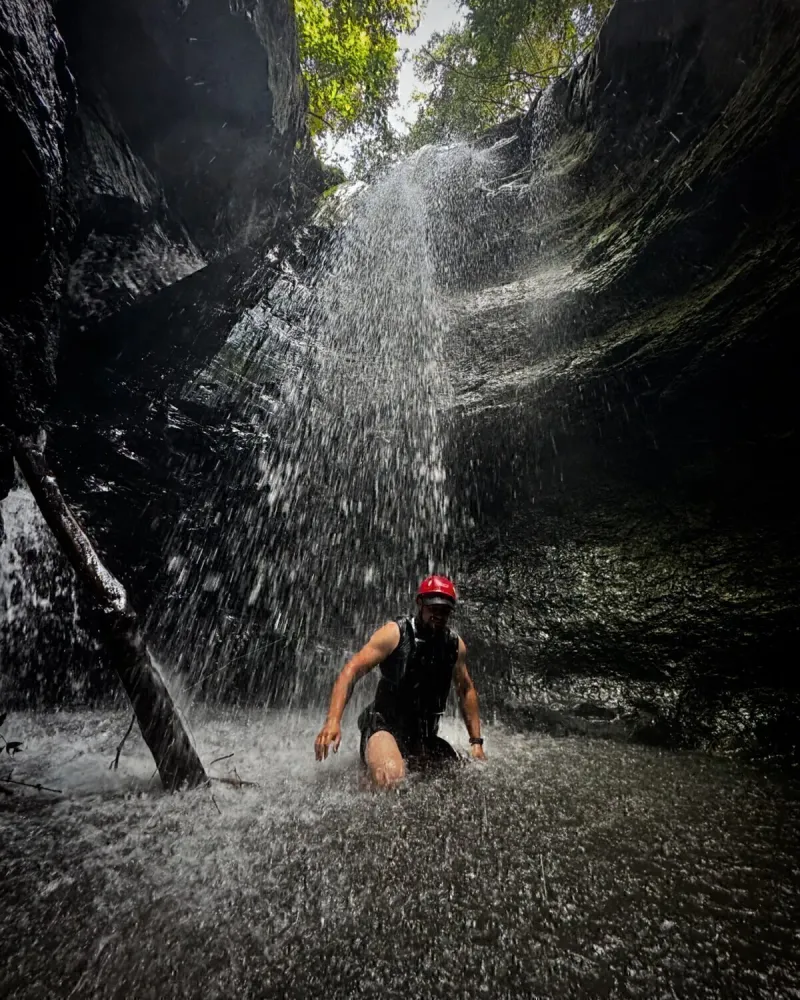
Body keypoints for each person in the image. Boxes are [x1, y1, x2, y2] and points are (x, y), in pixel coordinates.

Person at [314, 575, 486, 788]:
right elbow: (351, 670)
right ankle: (368, 776)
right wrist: (333, 721)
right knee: (392, 779)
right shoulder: (395, 633)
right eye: (434, 608)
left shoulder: (454, 645)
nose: (439, 615)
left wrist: (476, 742)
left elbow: (466, 689)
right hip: (384, 727)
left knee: (460, 780)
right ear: (420, 603)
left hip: (423, 734)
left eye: (445, 611)